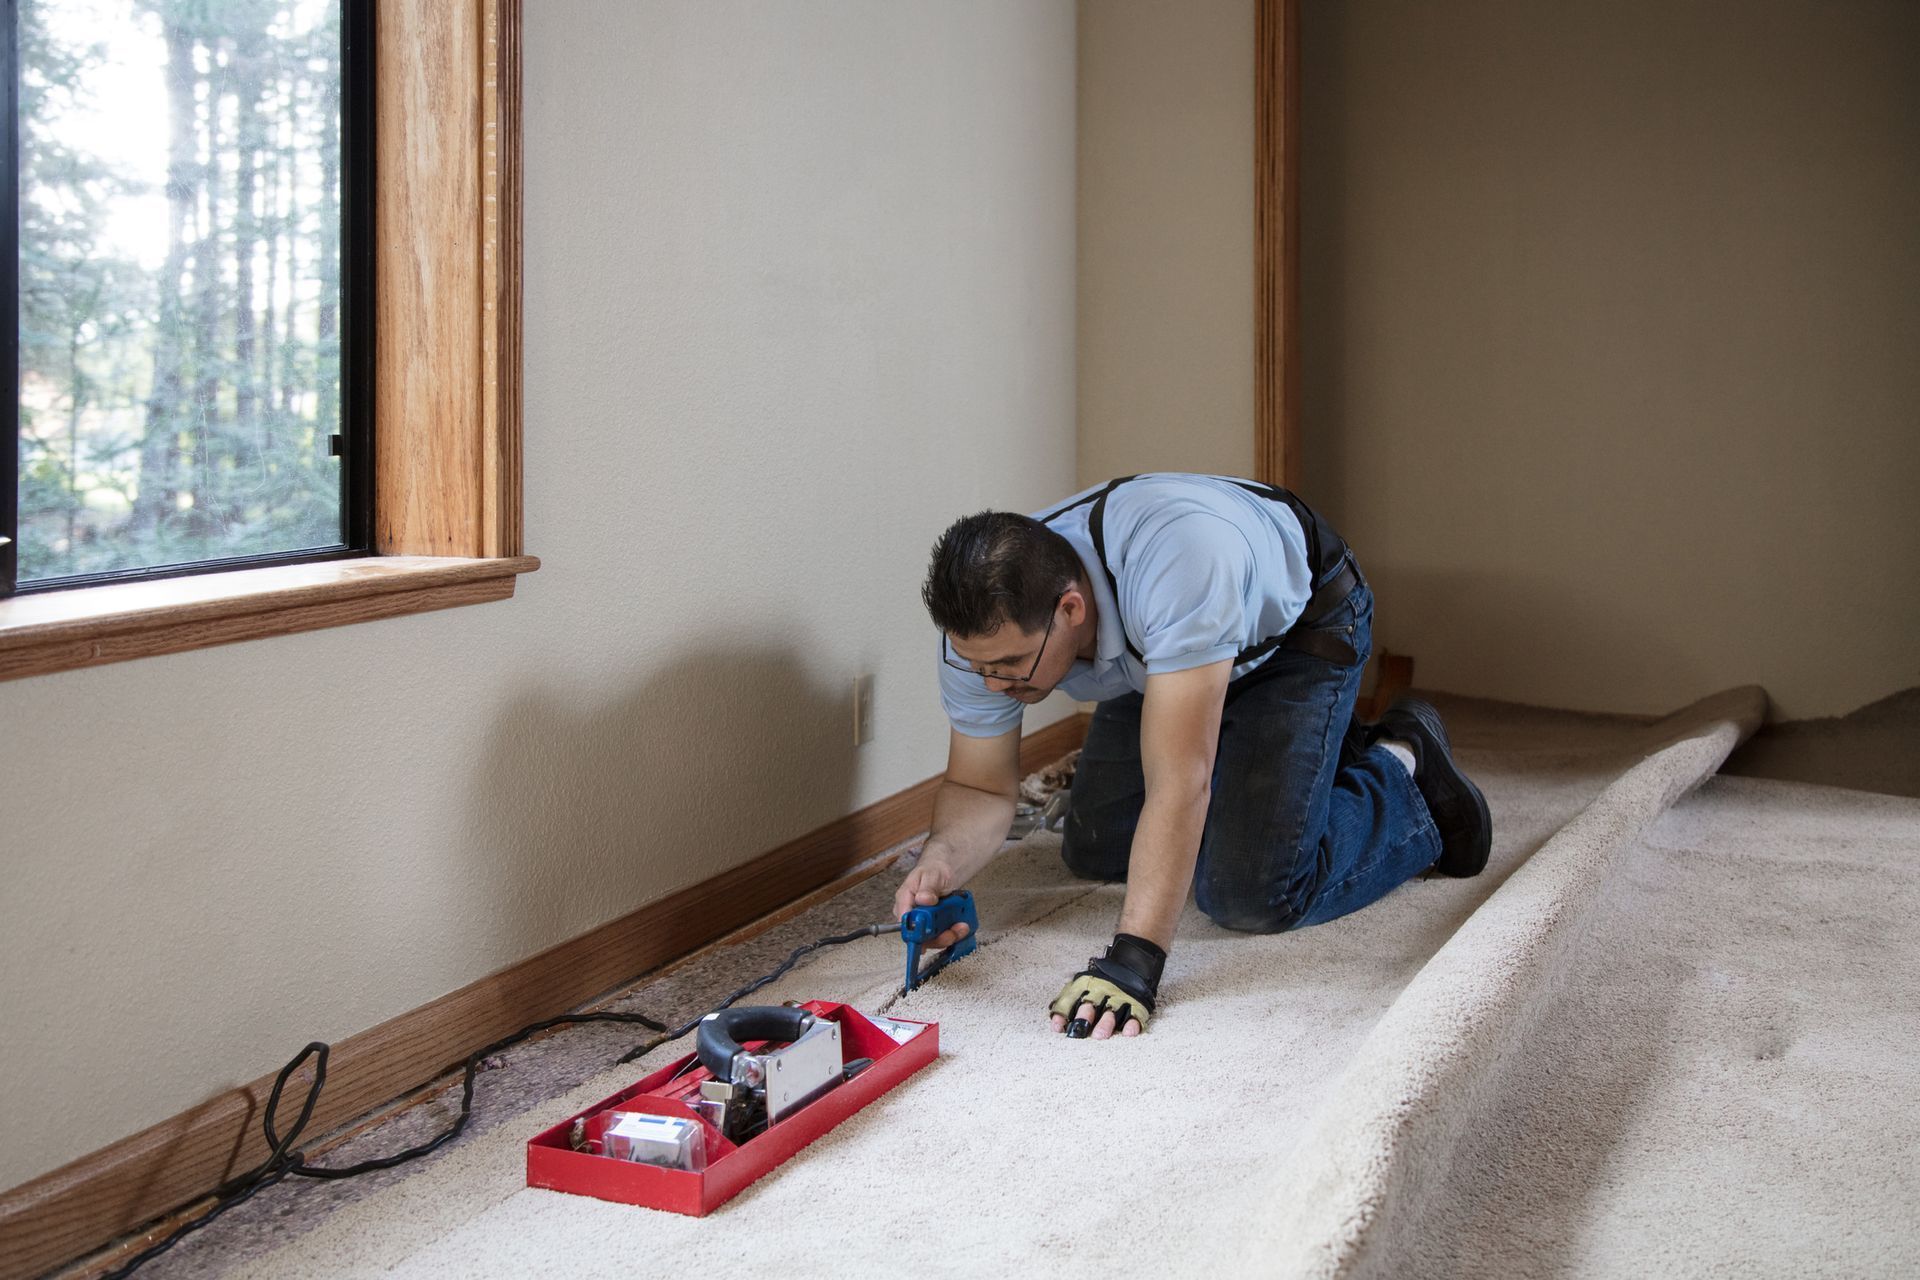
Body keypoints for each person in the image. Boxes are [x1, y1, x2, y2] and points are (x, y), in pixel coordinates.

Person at [893, 473, 1491, 1040]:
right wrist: (940, 861)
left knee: (1250, 893)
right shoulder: (984, 632)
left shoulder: (1180, 566)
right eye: (979, 668)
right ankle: (1300, 761)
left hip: (1298, 633)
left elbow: (1180, 781)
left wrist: (1133, 961)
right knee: (1098, 846)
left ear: (1070, 610)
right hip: (1164, 657)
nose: (994, 684)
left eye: (1009, 666)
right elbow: (980, 789)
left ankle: (1402, 757)